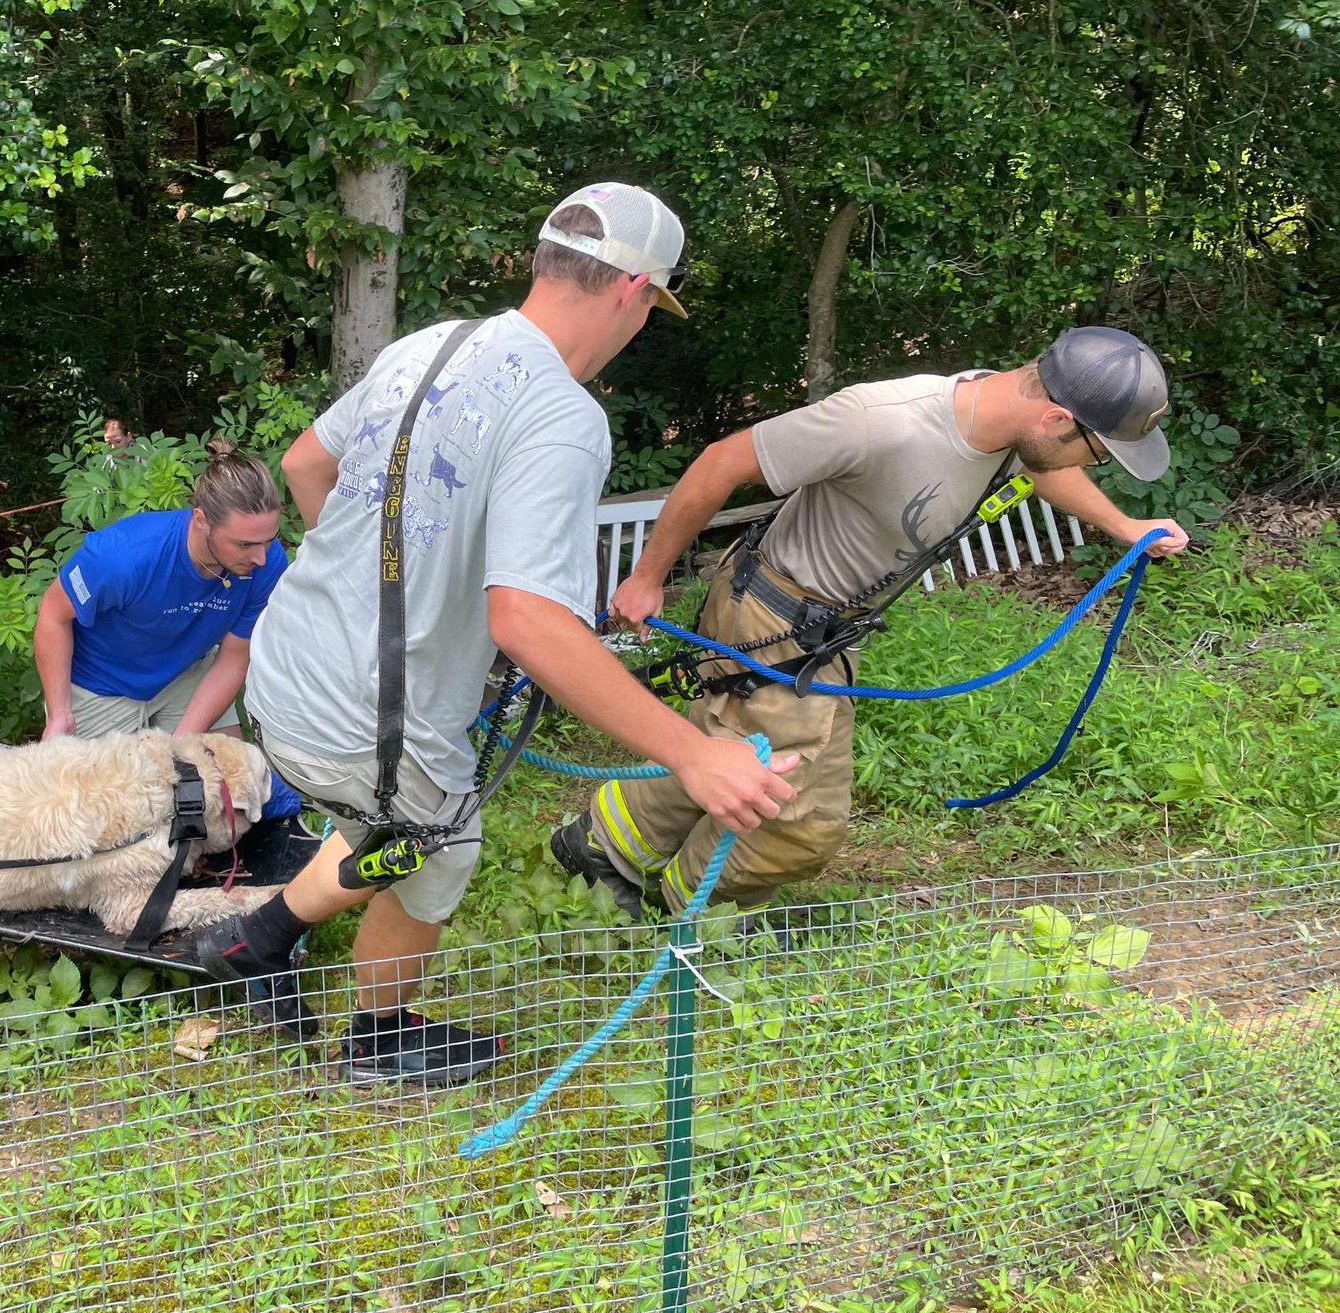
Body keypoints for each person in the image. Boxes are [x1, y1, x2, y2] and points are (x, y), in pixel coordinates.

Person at [195, 181, 800, 1088]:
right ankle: (377, 1042)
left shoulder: (426, 346)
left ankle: (260, 936)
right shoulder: (562, 415)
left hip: (282, 670)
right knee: (440, 841)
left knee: (392, 815)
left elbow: (302, 464)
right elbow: (526, 620)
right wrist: (695, 756)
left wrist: (372, 585)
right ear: (635, 292)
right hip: (364, 711)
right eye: (652, 311)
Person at [549, 325, 1191, 921]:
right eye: (1099, 451)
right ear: (1056, 417)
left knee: (738, 750)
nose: (1093, 463)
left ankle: (603, 845)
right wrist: (647, 577)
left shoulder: (1009, 423)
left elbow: (1046, 466)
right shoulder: (881, 422)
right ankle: (690, 913)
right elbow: (721, 463)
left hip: (824, 627)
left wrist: (1125, 527)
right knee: (798, 819)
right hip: (773, 615)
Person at [35, 440, 288, 741]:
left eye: (269, 540)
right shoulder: (123, 557)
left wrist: (180, 746)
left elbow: (233, 658)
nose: (260, 557)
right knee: (87, 786)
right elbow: (53, 614)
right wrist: (60, 713)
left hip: (184, 675)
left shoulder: (268, 563)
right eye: (244, 544)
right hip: (100, 683)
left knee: (224, 776)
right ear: (201, 520)